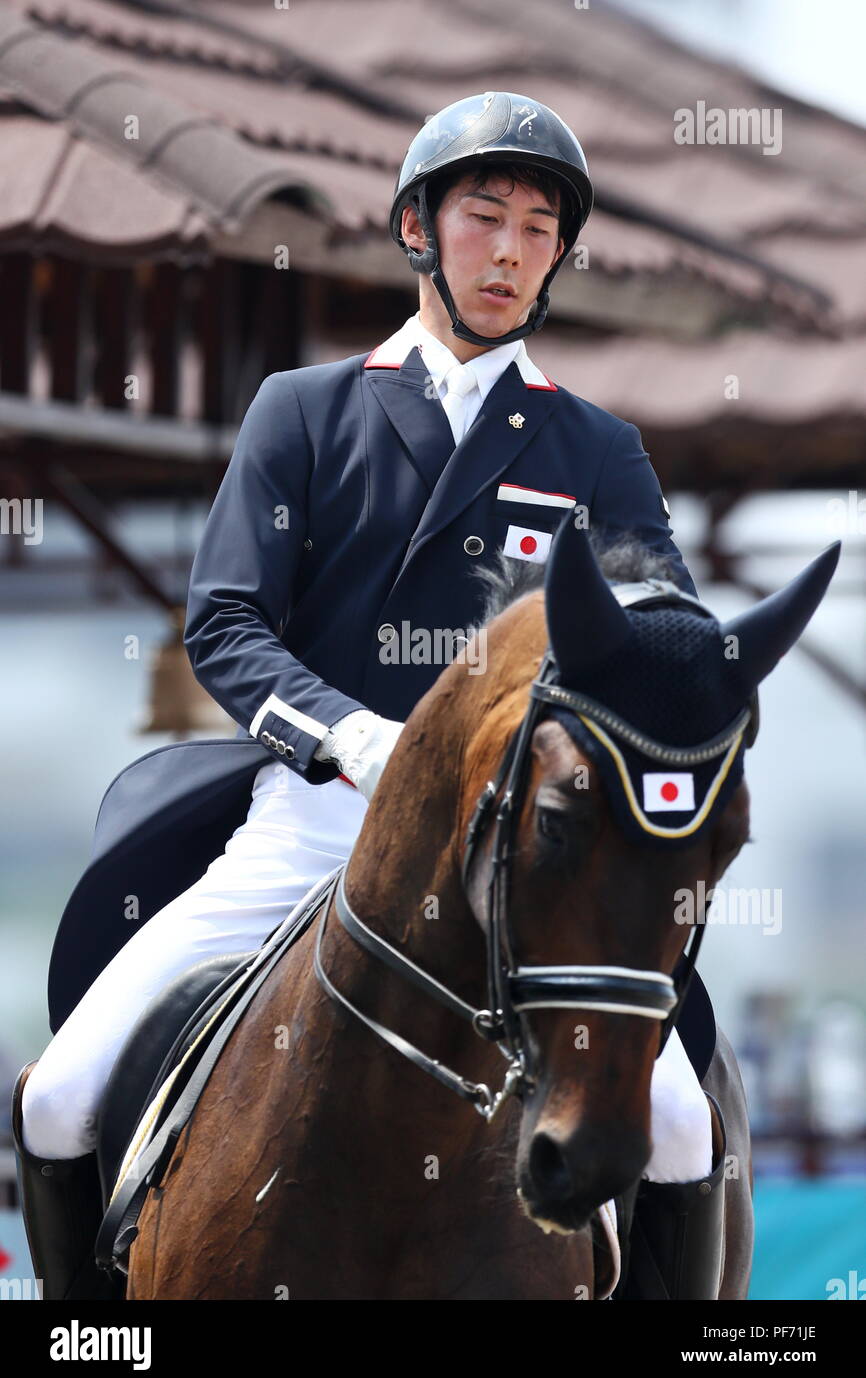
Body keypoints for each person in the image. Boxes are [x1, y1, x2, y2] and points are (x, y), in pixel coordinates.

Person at [11, 91, 723, 1300]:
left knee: (685, 1129)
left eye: (539, 230)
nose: (508, 251)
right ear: (414, 227)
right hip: (315, 830)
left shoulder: (595, 449)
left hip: (520, 864)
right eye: (483, 215)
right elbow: (226, 625)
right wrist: (347, 736)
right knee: (62, 1096)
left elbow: (668, 641)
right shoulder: (303, 410)